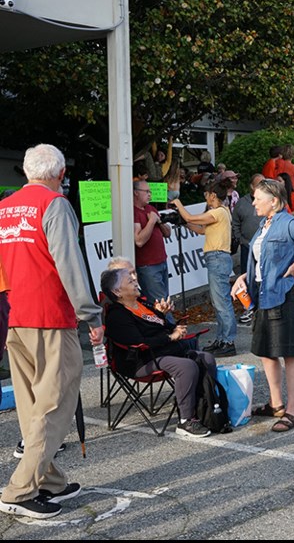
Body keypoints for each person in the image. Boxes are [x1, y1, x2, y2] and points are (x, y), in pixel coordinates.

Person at [0, 144, 103, 520]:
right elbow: (69, 263)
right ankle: (19, 489)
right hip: (49, 316)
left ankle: (49, 478)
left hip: (14, 315)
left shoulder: (4, 208)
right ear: (60, 174)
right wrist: (91, 314)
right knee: (56, 402)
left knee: (32, 406)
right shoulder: (54, 205)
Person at [230, 179, 294, 433]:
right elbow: (261, 259)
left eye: (257, 198)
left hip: (286, 296)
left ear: (273, 201)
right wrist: (244, 277)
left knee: (291, 353)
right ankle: (276, 404)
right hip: (264, 294)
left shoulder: (288, 223)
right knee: (266, 351)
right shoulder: (265, 224)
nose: (253, 203)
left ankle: (292, 411)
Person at [100, 266, 217, 438]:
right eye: (130, 280)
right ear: (117, 291)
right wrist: (171, 337)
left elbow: (161, 328)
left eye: (134, 278)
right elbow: (139, 342)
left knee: (206, 358)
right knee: (187, 366)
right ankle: (185, 421)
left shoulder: (142, 304)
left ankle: (206, 409)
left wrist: (169, 322)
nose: (135, 281)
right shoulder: (118, 315)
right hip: (139, 361)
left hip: (162, 353)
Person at [170, 179, 237, 357]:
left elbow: (191, 217)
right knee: (218, 302)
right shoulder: (218, 213)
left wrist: (178, 203)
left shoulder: (219, 212)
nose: (205, 197)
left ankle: (228, 341)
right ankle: (222, 339)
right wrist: (182, 222)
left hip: (217, 257)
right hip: (216, 258)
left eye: (206, 194)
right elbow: (200, 229)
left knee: (222, 302)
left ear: (213, 195)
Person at [132, 179, 172, 309]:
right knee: (160, 303)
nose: (150, 194)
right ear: (136, 193)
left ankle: (167, 326)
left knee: (165, 298)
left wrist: (158, 222)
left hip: (161, 261)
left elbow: (167, 233)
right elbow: (139, 241)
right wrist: (151, 222)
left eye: (150, 191)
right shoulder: (133, 212)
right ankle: (168, 328)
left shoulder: (151, 208)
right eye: (146, 191)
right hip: (148, 265)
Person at [232, 174, 265, 324]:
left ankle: (263, 306)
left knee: (263, 276)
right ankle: (248, 308)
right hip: (247, 246)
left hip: (265, 246)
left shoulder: (268, 201)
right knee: (246, 277)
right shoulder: (241, 203)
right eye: (259, 184)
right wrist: (240, 239)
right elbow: (235, 223)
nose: (262, 186)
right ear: (252, 186)